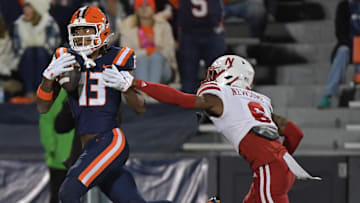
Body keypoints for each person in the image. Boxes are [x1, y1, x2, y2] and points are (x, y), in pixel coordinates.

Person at [112, 55, 321, 203]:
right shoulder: (261, 101)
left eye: (215, 73)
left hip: (268, 168)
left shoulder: (221, 96)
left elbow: (181, 99)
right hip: (277, 166)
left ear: (230, 76)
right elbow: (295, 133)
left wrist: (137, 82)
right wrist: (281, 159)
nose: (210, 78)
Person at [36, 6, 171, 203]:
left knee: (69, 191)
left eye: (87, 31)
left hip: (109, 141)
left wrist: (126, 86)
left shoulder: (117, 58)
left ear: (102, 31)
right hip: (88, 146)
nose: (81, 37)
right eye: (77, 32)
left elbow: (140, 107)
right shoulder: (67, 59)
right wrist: (47, 79)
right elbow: (43, 107)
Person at [12, 0, 61, 104]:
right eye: (25, 8)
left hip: (45, 56)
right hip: (24, 57)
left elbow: (53, 44)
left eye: (29, 8)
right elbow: (17, 47)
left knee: (40, 52)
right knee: (29, 53)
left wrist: (39, 47)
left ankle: (41, 91)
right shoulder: (19, 24)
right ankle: (30, 92)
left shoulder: (48, 22)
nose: (26, 10)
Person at [119, 0, 179, 84]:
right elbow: (126, 54)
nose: (144, 9)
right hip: (138, 67)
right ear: (136, 9)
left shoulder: (164, 25)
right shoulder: (128, 27)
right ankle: (150, 93)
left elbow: (169, 52)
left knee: (156, 57)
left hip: (163, 67)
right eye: (140, 6)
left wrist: (155, 52)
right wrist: (147, 51)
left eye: (147, 5)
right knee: (142, 59)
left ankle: (147, 93)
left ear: (153, 8)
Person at [317, 0, 360, 108]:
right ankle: (328, 95)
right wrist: (354, 48)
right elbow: (340, 33)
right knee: (342, 51)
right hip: (349, 46)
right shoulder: (343, 6)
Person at [177, 0, 226, 93]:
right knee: (189, 78)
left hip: (209, 31)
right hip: (191, 33)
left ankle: (214, 101)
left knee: (215, 78)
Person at [39, 89, 75, 203]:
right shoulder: (56, 94)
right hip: (60, 160)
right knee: (58, 196)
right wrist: (52, 148)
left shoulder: (86, 92)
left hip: (82, 158)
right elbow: (46, 121)